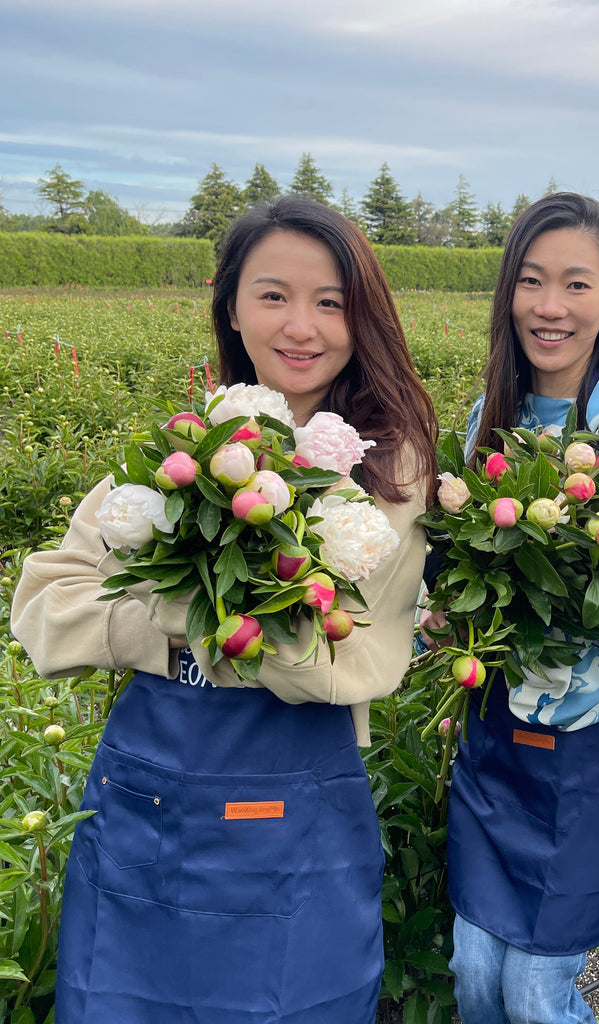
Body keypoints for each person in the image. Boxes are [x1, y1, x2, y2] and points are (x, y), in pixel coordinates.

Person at [12, 194, 438, 1024]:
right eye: (273, 295)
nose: (301, 326)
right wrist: (173, 624)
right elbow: (42, 603)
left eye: (330, 302)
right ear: (232, 307)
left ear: (363, 318)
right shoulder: (182, 454)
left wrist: (167, 608)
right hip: (149, 789)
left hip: (293, 800)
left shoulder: (388, 474)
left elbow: (330, 661)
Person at [427, 192, 599, 1024]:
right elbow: (465, 573)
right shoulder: (485, 420)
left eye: (575, 284)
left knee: (534, 992)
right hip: (499, 736)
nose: (550, 306)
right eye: (532, 282)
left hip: (589, 745)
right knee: (472, 972)